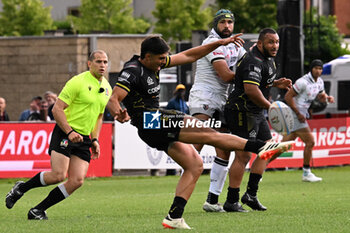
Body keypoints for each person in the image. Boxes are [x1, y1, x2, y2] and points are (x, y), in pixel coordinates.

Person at [107, 35, 294, 229]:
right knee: (209, 133)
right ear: (146, 56)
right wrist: (117, 113)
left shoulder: (154, 63)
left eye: (165, 58)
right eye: (161, 59)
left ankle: (174, 217)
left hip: (153, 124)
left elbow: (189, 55)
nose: (164, 62)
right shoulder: (133, 71)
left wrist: (219, 43)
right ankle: (262, 147)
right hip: (150, 120)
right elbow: (113, 99)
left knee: (195, 165)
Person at [5, 50, 112, 220]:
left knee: (77, 181)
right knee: (58, 175)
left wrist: (95, 139)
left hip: (84, 138)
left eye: (105, 62)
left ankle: (37, 210)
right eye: (99, 62)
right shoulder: (77, 82)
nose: (103, 65)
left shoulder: (107, 87)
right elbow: (56, 109)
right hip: (65, 132)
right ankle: (21, 188)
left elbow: (99, 116)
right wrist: (69, 132)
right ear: (89, 64)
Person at [223, 28, 293, 212]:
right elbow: (251, 90)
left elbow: (262, 82)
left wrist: (277, 83)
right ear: (260, 43)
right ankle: (232, 200)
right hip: (241, 110)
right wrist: (271, 108)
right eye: (271, 42)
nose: (275, 46)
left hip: (255, 111)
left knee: (269, 149)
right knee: (244, 155)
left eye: (277, 42)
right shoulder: (253, 60)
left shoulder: (268, 59)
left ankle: (251, 195)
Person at [188, 9, 247, 213]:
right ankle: (180, 198)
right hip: (203, 96)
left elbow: (249, 65)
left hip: (222, 100)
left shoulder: (236, 45)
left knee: (224, 150)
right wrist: (251, 78)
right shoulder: (211, 43)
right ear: (215, 25)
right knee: (196, 144)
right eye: (223, 22)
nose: (227, 26)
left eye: (230, 22)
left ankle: (212, 200)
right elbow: (225, 75)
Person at [276, 59, 334, 182]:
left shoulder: (320, 82)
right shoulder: (302, 82)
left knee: (283, 146)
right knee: (310, 142)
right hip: (295, 115)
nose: (318, 71)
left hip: (301, 115)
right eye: (316, 68)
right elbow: (288, 96)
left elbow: (320, 97)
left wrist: (328, 98)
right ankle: (306, 173)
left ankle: (260, 165)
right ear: (311, 69)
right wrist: (298, 113)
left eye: (320, 69)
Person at [165, 84, 189, 176]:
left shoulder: (184, 103)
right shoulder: (172, 102)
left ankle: (183, 168)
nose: (181, 92)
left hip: (183, 129)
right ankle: (170, 170)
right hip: (174, 128)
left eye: (182, 90)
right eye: (180, 90)